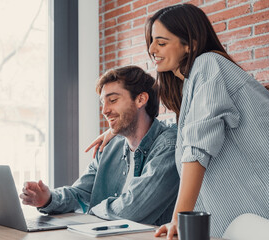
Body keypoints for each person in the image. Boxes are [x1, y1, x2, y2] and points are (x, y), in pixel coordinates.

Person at [86, 3, 269, 239]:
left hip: (258, 218)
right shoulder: (191, 85)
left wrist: (178, 219)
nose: (152, 49)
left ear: (189, 44)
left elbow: (197, 146)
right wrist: (118, 130)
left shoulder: (208, 65)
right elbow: (187, 133)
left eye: (161, 42)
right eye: (151, 41)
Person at [20, 65, 179, 226]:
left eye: (113, 100)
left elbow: (131, 210)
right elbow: (80, 194)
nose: (104, 110)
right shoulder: (110, 147)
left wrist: (90, 211)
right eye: (103, 102)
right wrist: (48, 199)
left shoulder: (168, 146)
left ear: (140, 99)